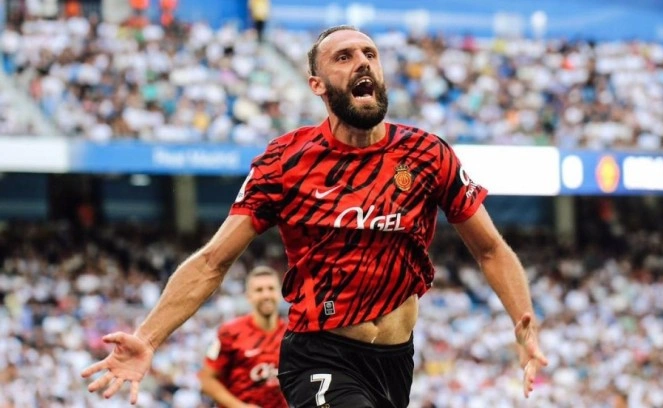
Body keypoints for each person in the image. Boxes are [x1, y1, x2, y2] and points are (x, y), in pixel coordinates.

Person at [81, 25, 548, 407]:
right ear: (317, 85)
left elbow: (490, 249)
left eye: (370, 53)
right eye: (344, 57)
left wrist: (521, 319)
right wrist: (148, 337)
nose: (362, 62)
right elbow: (212, 261)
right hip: (319, 356)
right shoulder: (286, 161)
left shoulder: (426, 154)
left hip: (395, 362)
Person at [197, 266, 288, 408]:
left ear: (280, 293)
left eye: (271, 288)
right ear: (248, 296)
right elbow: (206, 380)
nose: (266, 295)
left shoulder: (291, 335)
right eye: (259, 290)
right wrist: (240, 406)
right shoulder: (230, 332)